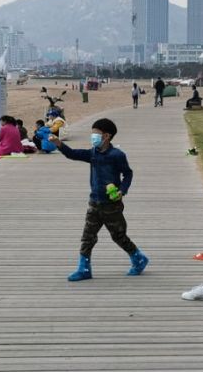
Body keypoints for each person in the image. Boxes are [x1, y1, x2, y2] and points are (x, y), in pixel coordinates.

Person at [48, 118, 149, 280]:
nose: (92, 137)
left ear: (107, 136)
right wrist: (59, 144)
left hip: (112, 205)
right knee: (87, 237)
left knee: (119, 236)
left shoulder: (117, 155)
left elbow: (128, 173)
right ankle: (84, 269)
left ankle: (139, 258)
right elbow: (73, 154)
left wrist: (122, 191)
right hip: (94, 202)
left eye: (96, 134)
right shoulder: (93, 153)